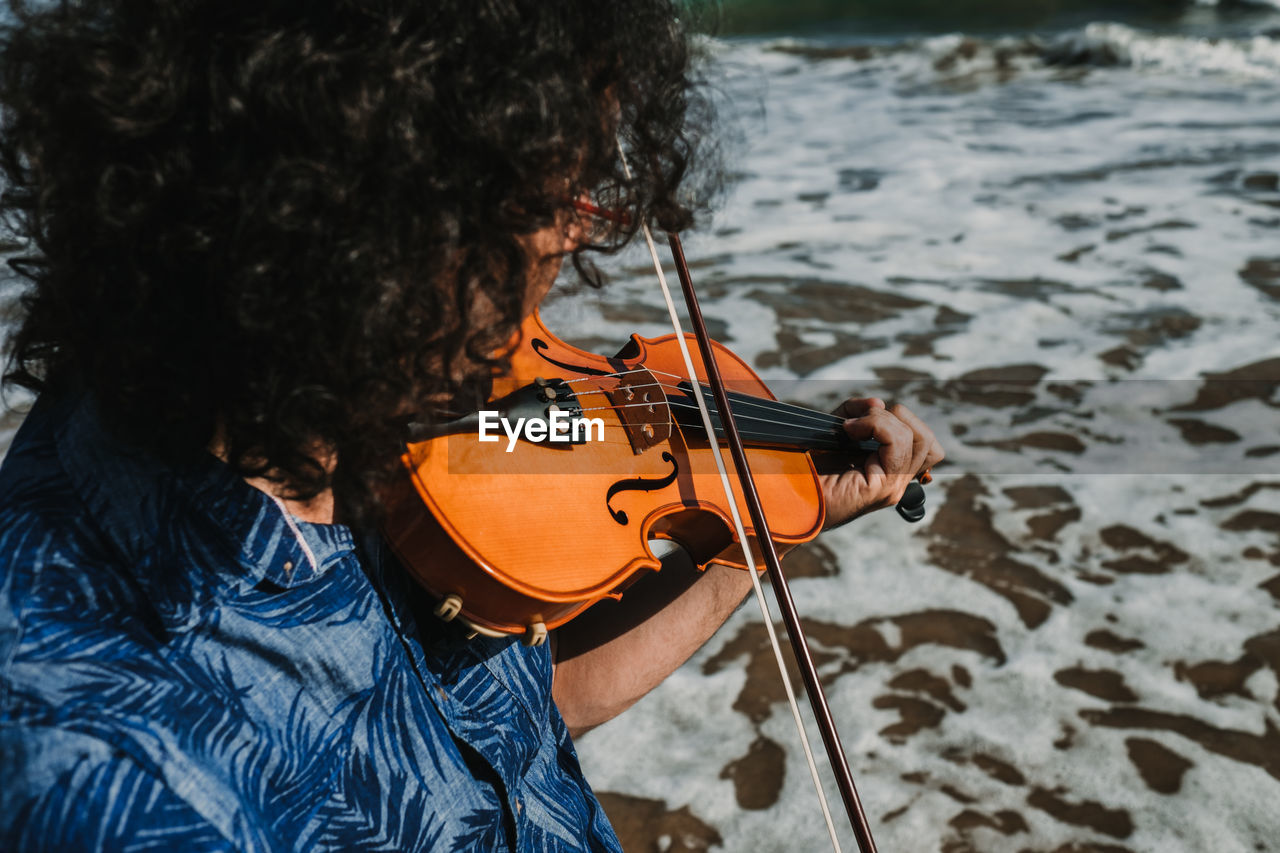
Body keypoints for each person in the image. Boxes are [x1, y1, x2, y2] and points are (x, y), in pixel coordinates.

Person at [0, 1, 943, 850]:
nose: (579, 241)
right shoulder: (116, 782)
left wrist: (762, 511)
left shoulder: (362, 405)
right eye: (559, 199)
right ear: (380, 204)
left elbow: (517, 707)